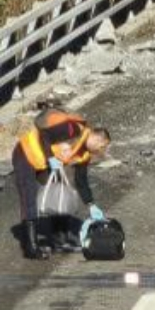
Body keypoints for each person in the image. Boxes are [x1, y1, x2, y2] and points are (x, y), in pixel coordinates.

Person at [11, 109, 111, 260]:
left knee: (60, 194)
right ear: (97, 139)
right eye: (102, 147)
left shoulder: (84, 154)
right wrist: (51, 157)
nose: (100, 151)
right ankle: (31, 248)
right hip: (25, 154)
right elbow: (44, 132)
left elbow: (81, 181)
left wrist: (91, 204)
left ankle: (58, 241)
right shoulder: (72, 129)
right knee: (29, 198)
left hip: (43, 163)